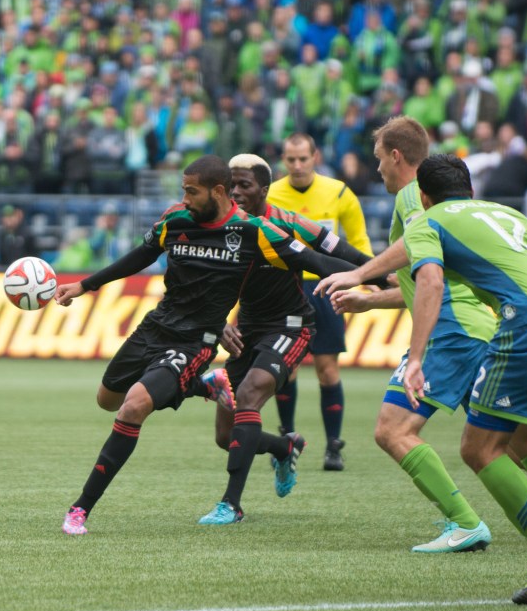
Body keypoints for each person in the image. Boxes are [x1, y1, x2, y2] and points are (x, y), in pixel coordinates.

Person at [322, 153, 527, 602]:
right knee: (526, 440)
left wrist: (416, 357)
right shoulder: (509, 214)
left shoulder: (427, 219)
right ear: (471, 189)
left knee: (478, 448)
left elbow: (431, 285)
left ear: (423, 194)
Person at [55, 155, 380, 535]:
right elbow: (140, 257)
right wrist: (84, 285)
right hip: (154, 328)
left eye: (192, 192)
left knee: (132, 407)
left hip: (198, 341)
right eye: (184, 191)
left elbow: (316, 259)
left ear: (218, 191)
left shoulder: (255, 231)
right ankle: (207, 388)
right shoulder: (175, 219)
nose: (186, 198)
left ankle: (80, 510)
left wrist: (374, 276)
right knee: (107, 399)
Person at [315, 116, 495, 553]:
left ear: (396, 156)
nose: (377, 170)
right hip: (479, 328)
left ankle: (464, 522)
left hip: (450, 332)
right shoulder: (440, 200)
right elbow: (421, 286)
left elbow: (424, 269)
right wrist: (368, 299)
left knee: (392, 430)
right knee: (513, 441)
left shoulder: (416, 197)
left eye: (379, 159)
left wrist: (360, 272)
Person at [196, 153, 375, 525]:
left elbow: (343, 256)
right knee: (224, 435)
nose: (237, 192)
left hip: (291, 325)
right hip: (247, 327)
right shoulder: (218, 225)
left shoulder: (291, 224)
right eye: (232, 185)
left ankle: (231, 504)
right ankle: (283, 446)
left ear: (265, 189)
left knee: (249, 396)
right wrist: (218, 320)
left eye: (245, 185)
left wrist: (386, 278)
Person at [267, 133, 373, 471]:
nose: (297, 165)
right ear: (283, 159)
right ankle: (287, 440)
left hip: (327, 288)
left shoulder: (339, 192)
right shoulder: (270, 194)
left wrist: (366, 287)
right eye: (290, 159)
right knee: (287, 371)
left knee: (327, 370)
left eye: (303, 158)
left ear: (315, 157)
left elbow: (358, 243)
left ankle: (333, 447)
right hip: (285, 289)